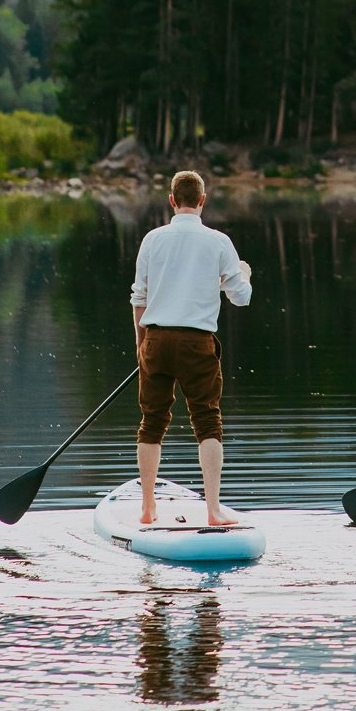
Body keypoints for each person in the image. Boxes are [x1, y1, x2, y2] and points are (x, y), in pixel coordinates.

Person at [130, 168, 253, 527]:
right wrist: (242, 272)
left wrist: (141, 345)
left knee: (151, 423)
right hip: (198, 343)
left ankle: (148, 508)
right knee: (208, 422)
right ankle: (213, 511)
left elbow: (140, 297)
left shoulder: (152, 239)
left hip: (155, 338)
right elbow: (241, 298)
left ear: (172, 200)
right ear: (202, 201)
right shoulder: (219, 242)